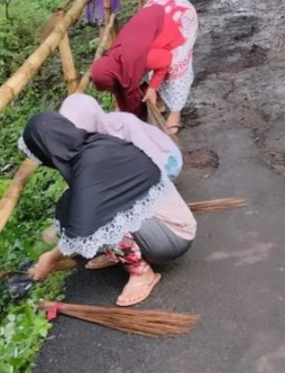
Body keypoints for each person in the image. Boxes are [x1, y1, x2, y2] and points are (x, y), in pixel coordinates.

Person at [19, 111, 196, 307]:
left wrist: (49, 259)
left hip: (172, 235)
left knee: (97, 222)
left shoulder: (89, 165)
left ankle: (142, 273)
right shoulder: (93, 147)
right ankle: (122, 254)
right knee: (72, 203)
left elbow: (85, 226)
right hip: (158, 221)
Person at [91, 0, 198, 134]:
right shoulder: (115, 57)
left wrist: (152, 87)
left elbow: (165, 60)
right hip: (156, 12)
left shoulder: (142, 58)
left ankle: (175, 114)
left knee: (175, 69)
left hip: (178, 16)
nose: (113, 90)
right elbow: (123, 86)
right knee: (145, 71)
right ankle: (157, 101)